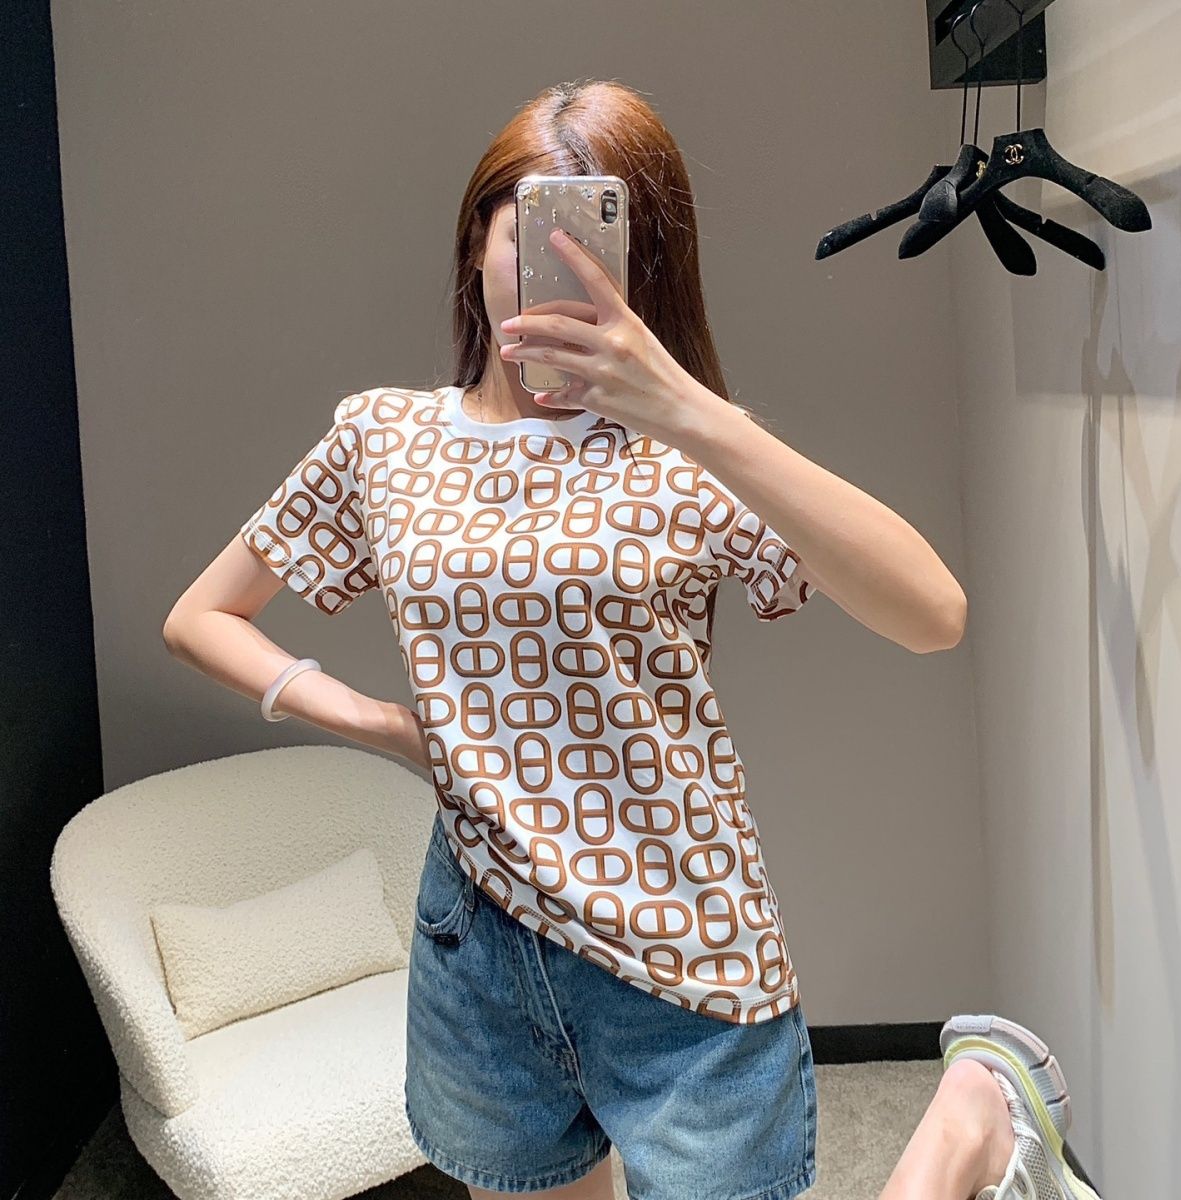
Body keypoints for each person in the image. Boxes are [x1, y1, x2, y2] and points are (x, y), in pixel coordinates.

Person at [164, 79, 1101, 1200]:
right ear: (476, 245)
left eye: (601, 247)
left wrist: (690, 410)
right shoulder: (384, 439)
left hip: (684, 944)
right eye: (531, 240)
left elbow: (932, 613)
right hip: (480, 941)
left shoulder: (690, 452)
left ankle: (968, 1121)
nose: (564, 277)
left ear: (646, 270)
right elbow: (201, 617)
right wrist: (390, 728)